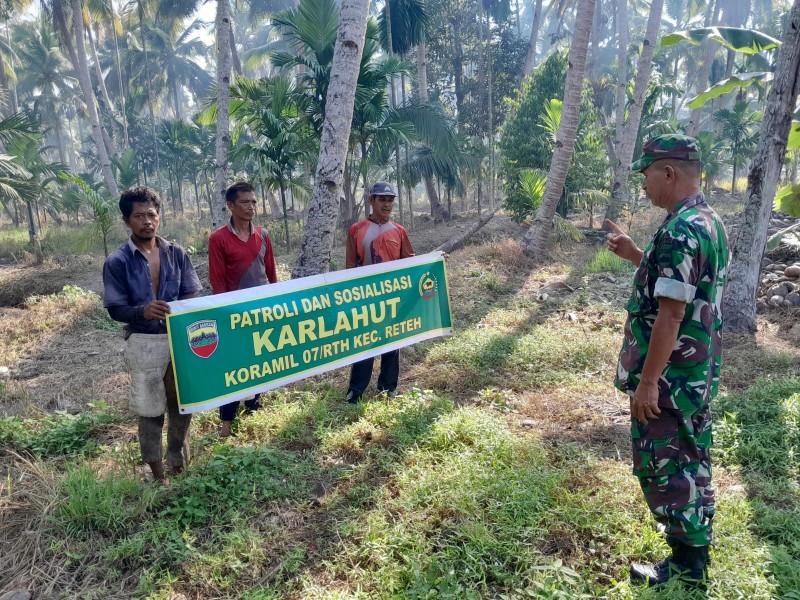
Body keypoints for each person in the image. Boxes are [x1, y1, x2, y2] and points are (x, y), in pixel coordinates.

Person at [606, 134, 728, 587]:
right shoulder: (707, 221)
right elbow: (682, 287)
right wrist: (638, 255)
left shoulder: (681, 230)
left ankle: (684, 567)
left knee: (667, 465)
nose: (643, 183)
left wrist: (649, 382)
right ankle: (693, 556)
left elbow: (672, 312)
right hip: (694, 376)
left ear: (669, 173)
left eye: (647, 173)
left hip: (672, 380)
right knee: (692, 459)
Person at [103, 186, 202, 482]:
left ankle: (177, 461)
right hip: (144, 342)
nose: (147, 221)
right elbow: (115, 308)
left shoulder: (176, 253)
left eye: (151, 214)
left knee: (183, 403)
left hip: (179, 341)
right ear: (126, 220)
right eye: (138, 216)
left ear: (159, 217)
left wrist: (187, 307)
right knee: (150, 411)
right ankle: (157, 473)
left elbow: (191, 293)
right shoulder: (117, 261)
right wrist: (142, 311)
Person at [208, 181, 278, 436]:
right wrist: (225, 314)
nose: (251, 207)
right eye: (245, 202)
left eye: (254, 202)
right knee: (234, 366)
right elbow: (217, 280)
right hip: (233, 315)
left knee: (258, 359)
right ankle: (226, 422)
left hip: (260, 311)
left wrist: (275, 303)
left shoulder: (263, 235)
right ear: (231, 205)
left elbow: (270, 273)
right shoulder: (218, 239)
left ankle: (254, 406)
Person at [344, 181, 414, 403]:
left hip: (393, 297)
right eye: (382, 199)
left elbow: (410, 262)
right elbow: (350, 266)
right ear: (371, 200)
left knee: (392, 342)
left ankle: (388, 387)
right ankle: (356, 389)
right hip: (365, 297)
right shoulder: (357, 230)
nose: (387, 204)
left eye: (390, 200)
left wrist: (436, 260)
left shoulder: (399, 231)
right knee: (365, 342)